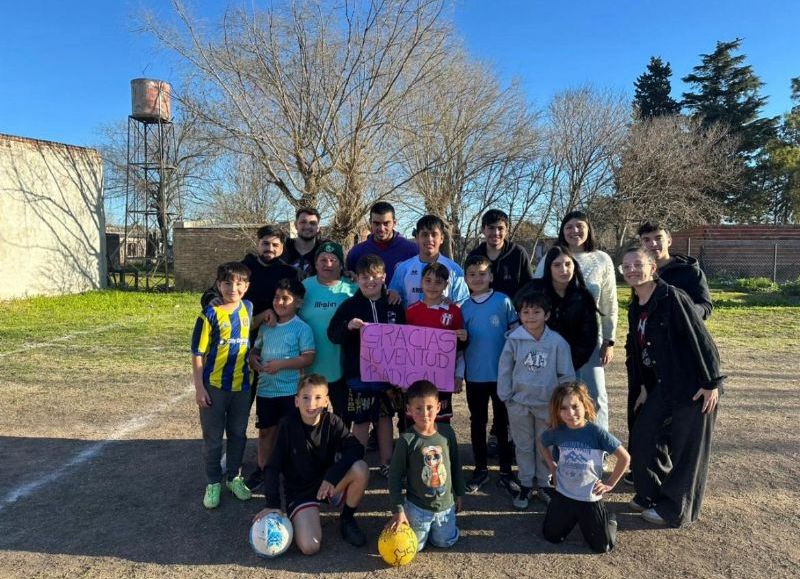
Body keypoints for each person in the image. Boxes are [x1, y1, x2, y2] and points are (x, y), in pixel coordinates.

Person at [621, 244, 723, 527]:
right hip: (663, 386)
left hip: (694, 385)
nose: (631, 270)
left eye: (637, 264)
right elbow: (639, 350)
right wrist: (642, 387)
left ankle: (675, 509)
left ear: (652, 268)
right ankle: (652, 493)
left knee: (689, 450)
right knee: (643, 436)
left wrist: (711, 382)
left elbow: (701, 340)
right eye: (626, 266)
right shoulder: (636, 305)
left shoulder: (672, 297)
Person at [254, 374, 370, 552]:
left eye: (317, 398)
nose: (311, 404)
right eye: (305, 398)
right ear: (296, 401)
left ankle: (347, 520)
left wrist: (332, 476)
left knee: (360, 468)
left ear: (326, 401)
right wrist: (273, 505)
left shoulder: (333, 422)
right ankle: (304, 515)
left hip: (328, 485)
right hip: (301, 492)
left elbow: (356, 449)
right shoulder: (287, 425)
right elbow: (272, 466)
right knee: (310, 547)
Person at [534, 211, 616, 431]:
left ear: (588, 229)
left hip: (590, 339)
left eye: (579, 226)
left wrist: (610, 339)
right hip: (555, 339)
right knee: (560, 395)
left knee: (595, 393)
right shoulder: (552, 256)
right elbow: (536, 293)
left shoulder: (601, 259)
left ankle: (598, 446)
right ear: (562, 230)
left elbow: (609, 302)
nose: (574, 231)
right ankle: (564, 446)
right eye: (569, 227)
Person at [327, 254, 406, 475]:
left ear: (384, 277)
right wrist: (348, 326)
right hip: (358, 375)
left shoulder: (394, 305)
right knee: (360, 421)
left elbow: (406, 338)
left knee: (384, 417)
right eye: (364, 277)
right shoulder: (349, 306)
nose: (369, 281)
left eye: (375, 276)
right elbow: (333, 335)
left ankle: (387, 463)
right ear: (357, 279)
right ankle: (356, 463)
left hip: (387, 376)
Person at [498, 290, 575, 510]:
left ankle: (543, 483)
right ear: (520, 315)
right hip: (519, 404)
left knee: (546, 446)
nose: (531, 316)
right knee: (523, 445)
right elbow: (505, 370)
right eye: (526, 312)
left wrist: (561, 402)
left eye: (536, 311)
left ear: (547, 315)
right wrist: (507, 397)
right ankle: (524, 483)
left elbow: (566, 374)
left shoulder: (557, 343)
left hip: (547, 405)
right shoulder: (514, 340)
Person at [191, 262, 254, 509]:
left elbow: (249, 338)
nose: (233, 288)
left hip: (241, 386)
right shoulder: (208, 314)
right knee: (214, 439)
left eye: (239, 283)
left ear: (246, 287)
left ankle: (234, 478)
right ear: (218, 285)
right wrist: (199, 387)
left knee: (238, 435)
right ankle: (213, 482)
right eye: (228, 283)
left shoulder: (248, 308)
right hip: (215, 386)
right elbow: (198, 353)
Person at [539, 382, 630, 554]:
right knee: (551, 536)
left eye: (575, 406)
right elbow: (542, 443)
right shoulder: (558, 431)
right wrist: (552, 467)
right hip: (564, 494)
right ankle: (571, 517)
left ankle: (609, 520)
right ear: (557, 411)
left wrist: (610, 483)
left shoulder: (597, 433)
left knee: (603, 547)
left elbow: (625, 458)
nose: (570, 413)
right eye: (563, 408)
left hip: (589, 497)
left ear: (585, 404)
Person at [246, 277, 315, 491]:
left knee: (291, 433)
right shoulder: (267, 327)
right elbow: (256, 350)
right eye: (277, 298)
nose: (280, 302)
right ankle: (263, 470)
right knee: (266, 431)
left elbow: (307, 358)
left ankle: (292, 471)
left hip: (290, 391)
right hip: (266, 390)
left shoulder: (302, 328)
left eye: (286, 298)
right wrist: (253, 358)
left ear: (298, 302)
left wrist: (281, 365)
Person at [460, 254, 519, 495]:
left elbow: (516, 335)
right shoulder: (463, 308)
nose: (478, 278)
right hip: (475, 376)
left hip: (502, 375)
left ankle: (506, 470)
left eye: (482, 273)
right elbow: (458, 344)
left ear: (491, 276)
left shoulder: (503, 302)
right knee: (477, 422)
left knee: (503, 423)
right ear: (465, 279)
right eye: (472, 274)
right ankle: (481, 468)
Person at [387, 380, 466, 552]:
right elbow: (394, 476)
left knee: (444, 543)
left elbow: (455, 464)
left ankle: (444, 529)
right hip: (418, 507)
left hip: (445, 506)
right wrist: (398, 509)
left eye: (430, 407)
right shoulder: (406, 440)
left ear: (438, 407)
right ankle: (405, 518)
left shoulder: (447, 433)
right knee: (415, 547)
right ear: (408, 410)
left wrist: (459, 493)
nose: (425, 414)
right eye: (418, 408)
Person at [522, 246, 599, 385]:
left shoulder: (583, 297)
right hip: (536, 363)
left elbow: (589, 337)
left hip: (570, 367)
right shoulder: (535, 290)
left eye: (568, 264)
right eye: (557, 265)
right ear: (549, 268)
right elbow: (520, 314)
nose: (563, 270)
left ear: (574, 267)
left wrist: (569, 365)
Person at [299, 241, 357, 421]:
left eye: (333, 260)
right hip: (311, 365)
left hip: (341, 364)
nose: (328, 264)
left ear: (341, 264)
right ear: (315, 264)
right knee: (312, 415)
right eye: (323, 260)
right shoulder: (304, 287)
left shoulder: (352, 289)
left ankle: (339, 448)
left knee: (343, 417)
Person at [405, 262, 469, 423]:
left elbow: (459, 350)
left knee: (441, 420)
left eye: (438, 282)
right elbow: (403, 347)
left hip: (442, 378)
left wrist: (459, 376)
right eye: (428, 280)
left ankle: (443, 447)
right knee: (415, 420)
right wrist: (402, 377)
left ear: (446, 285)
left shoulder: (453, 311)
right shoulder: (411, 311)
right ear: (421, 282)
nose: (432, 286)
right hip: (415, 379)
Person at [389, 214, 470, 307]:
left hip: (443, 321)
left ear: (442, 238)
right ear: (417, 238)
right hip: (410, 321)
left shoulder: (454, 270)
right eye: (425, 234)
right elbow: (394, 298)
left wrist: (453, 306)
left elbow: (463, 304)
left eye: (434, 234)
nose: (429, 239)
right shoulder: (403, 268)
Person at [637, 221, 713, 320]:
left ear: (669, 241)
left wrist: (685, 310)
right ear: (641, 244)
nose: (653, 244)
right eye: (647, 240)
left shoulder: (690, 271)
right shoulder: (639, 272)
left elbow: (706, 307)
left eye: (658, 238)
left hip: (680, 333)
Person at [345, 201, 418, 285]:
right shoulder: (357, 252)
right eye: (376, 223)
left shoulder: (412, 250)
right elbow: (348, 284)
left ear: (394, 223)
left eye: (386, 223)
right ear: (370, 222)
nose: (381, 228)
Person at [466, 208, 533, 300]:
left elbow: (529, 287)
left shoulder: (518, 253)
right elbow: (468, 288)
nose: (496, 233)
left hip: (513, 312)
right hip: (483, 311)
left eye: (500, 228)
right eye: (491, 228)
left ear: (506, 230)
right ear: (483, 230)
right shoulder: (474, 256)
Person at [282, 208, 325, 278]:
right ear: (296, 225)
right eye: (303, 222)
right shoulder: (283, 248)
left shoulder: (325, 250)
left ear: (318, 228)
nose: (307, 226)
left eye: (313, 223)